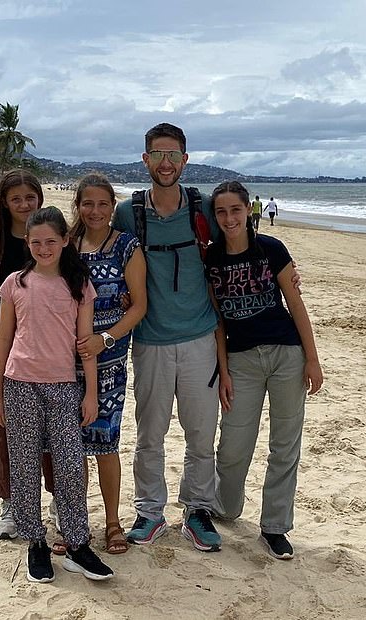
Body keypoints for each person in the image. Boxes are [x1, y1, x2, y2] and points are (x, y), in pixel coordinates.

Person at [111, 122, 225, 553]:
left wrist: (283, 273)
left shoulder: (205, 207)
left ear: (185, 160)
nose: (165, 163)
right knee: (149, 433)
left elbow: (237, 246)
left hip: (200, 338)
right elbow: (97, 249)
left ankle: (197, 510)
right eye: (157, 155)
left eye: (173, 155)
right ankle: (150, 512)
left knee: (201, 432)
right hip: (150, 341)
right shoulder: (129, 212)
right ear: (145, 160)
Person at [0, 206, 114, 583]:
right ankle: (35, 543)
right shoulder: (15, 283)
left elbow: (85, 345)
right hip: (19, 385)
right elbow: (4, 340)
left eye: (51, 241)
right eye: (36, 242)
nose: (44, 248)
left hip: (63, 388)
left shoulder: (78, 285)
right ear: (27, 243)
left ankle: (77, 544)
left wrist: (90, 393)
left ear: (64, 242)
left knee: (70, 469)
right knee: (24, 466)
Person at [206, 181, 323, 560]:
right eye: (221, 212)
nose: (228, 219)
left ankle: (274, 527)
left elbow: (296, 303)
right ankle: (226, 507)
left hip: (287, 354)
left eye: (235, 210)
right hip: (241, 360)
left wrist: (312, 358)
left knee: (284, 445)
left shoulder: (272, 249)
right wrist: (223, 370)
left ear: (248, 211)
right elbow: (218, 322)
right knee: (234, 443)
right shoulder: (211, 259)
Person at [0, 169, 52, 539]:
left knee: (52, 424)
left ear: (40, 199)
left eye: (30, 198)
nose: (23, 204)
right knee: (2, 422)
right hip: (4, 338)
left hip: (50, 339)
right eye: (16, 198)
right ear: (4, 202)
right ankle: (11, 502)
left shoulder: (51, 238)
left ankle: (57, 499)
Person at [68, 173, 147, 555]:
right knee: (73, 445)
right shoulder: (67, 245)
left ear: (112, 205)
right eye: (88, 203)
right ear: (78, 206)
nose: (95, 211)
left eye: (102, 203)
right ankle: (77, 522)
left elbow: (141, 306)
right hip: (67, 360)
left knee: (106, 443)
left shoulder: (126, 247)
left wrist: (105, 339)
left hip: (111, 359)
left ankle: (113, 523)